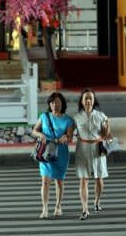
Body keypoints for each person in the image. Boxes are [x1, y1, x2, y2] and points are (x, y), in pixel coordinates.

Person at [32, 92, 74, 220]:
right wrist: (41, 135)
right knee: (45, 181)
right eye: (52, 102)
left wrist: (65, 137)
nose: (55, 105)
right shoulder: (44, 117)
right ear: (49, 104)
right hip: (46, 152)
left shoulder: (68, 120)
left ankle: (58, 206)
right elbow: (34, 131)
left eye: (57, 102)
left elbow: (70, 137)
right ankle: (44, 208)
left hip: (61, 153)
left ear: (62, 104)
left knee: (59, 181)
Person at [73, 88, 111, 220]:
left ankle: (97, 201)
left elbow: (107, 134)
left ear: (94, 100)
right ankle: (85, 209)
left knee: (99, 179)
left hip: (97, 149)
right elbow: (69, 132)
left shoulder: (101, 115)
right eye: (86, 98)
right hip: (82, 149)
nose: (88, 100)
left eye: (91, 98)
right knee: (83, 180)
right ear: (82, 101)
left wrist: (106, 132)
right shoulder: (77, 117)